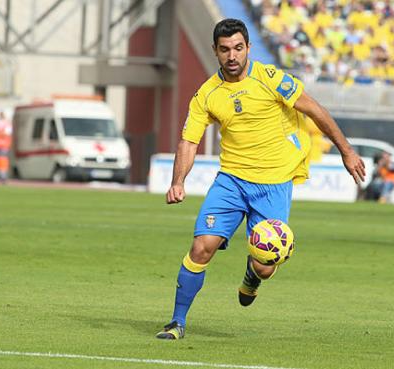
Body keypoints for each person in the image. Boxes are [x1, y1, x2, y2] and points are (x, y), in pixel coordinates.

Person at [156, 19, 364, 340]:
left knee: (266, 264)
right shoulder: (207, 95)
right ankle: (176, 322)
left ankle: (252, 277)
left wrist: (346, 151)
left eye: (238, 48)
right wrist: (178, 181)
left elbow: (316, 110)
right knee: (201, 248)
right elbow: (189, 141)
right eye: (224, 50)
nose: (232, 56)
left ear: (249, 48)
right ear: (215, 51)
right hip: (232, 181)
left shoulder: (271, 79)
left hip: (273, 183)